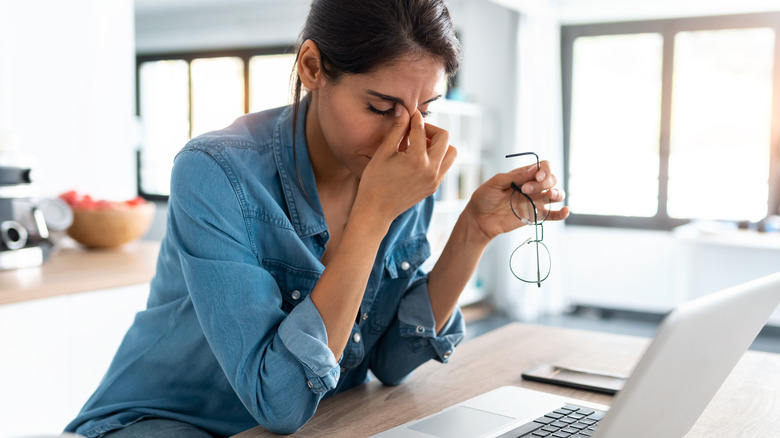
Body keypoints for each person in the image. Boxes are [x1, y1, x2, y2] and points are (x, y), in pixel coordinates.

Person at [65, 0, 568, 436]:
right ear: (311, 66)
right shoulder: (215, 172)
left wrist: (473, 232)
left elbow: (392, 362)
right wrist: (373, 215)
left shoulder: (403, 171)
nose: (407, 139)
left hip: (309, 424)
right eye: (380, 106)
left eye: (426, 109)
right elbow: (278, 403)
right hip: (161, 421)